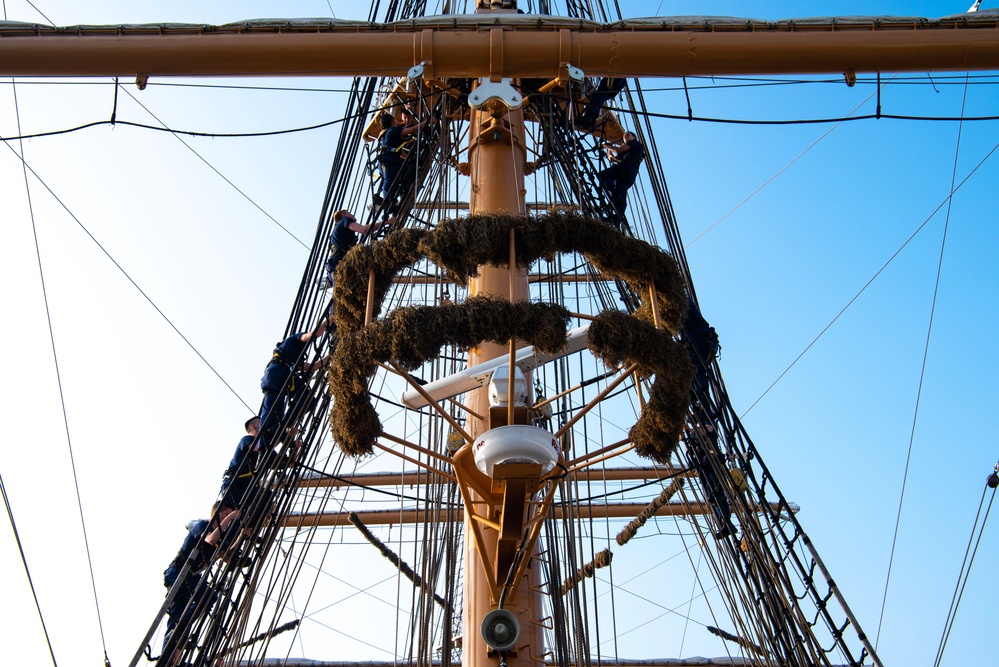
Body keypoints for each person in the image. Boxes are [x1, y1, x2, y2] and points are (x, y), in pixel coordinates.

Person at [161, 503, 239, 665]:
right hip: (179, 573)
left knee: (179, 619)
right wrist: (231, 517)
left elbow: (226, 556)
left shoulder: (220, 536)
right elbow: (210, 539)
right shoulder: (203, 525)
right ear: (217, 514)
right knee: (208, 598)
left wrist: (241, 536)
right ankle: (173, 640)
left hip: (189, 578)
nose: (228, 520)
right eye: (225, 516)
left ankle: (169, 659)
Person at [259, 318, 331, 445]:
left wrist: (330, 356)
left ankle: (267, 441)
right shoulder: (293, 340)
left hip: (271, 379)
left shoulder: (287, 357)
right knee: (308, 399)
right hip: (279, 375)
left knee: (272, 412)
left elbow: (313, 367)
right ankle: (283, 427)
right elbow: (311, 335)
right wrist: (328, 322)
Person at [375, 109, 434, 217]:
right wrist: (430, 121)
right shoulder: (393, 130)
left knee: (394, 180)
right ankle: (387, 202)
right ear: (393, 121)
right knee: (390, 181)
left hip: (384, 161)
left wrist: (410, 159)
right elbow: (413, 129)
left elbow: (398, 151)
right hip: (389, 161)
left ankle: (390, 202)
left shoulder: (385, 135)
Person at [324, 209, 389, 290]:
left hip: (336, 270)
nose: (353, 215)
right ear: (344, 214)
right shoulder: (345, 220)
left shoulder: (337, 235)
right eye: (350, 213)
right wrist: (387, 222)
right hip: (339, 267)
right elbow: (364, 230)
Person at [597, 130, 645, 228]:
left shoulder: (635, 144)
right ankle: (616, 220)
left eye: (628, 134)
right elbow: (612, 159)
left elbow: (618, 150)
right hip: (630, 175)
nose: (625, 136)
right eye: (624, 136)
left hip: (626, 168)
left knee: (603, 176)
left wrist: (605, 146)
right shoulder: (627, 151)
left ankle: (613, 191)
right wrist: (609, 148)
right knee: (621, 198)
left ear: (634, 137)